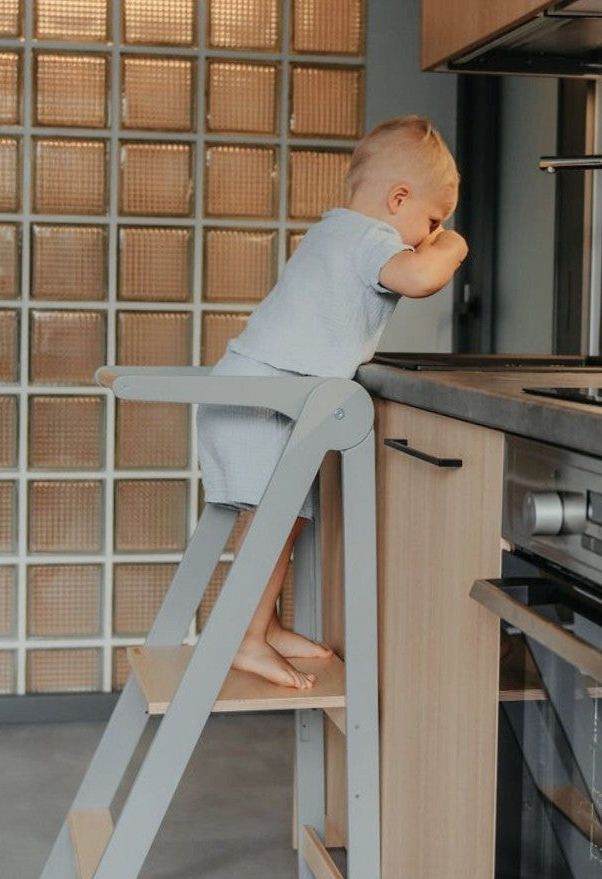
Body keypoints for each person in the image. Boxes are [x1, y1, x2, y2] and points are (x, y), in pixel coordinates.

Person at [197, 115, 468, 690]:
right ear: (398, 199)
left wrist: (435, 230)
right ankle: (244, 637)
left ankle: (261, 625)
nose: (430, 234)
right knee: (275, 524)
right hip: (261, 400)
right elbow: (420, 278)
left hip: (254, 395)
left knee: (284, 520)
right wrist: (456, 244)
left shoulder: (336, 231)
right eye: (431, 220)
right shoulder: (369, 238)